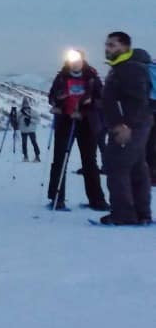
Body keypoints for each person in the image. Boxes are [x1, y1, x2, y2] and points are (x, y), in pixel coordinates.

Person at [99, 32, 152, 225]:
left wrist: (125, 125)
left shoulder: (129, 69)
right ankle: (141, 213)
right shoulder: (122, 68)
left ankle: (123, 215)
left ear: (125, 47)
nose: (107, 48)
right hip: (137, 125)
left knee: (117, 167)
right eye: (107, 44)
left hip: (128, 127)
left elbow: (138, 100)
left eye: (112, 45)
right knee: (137, 168)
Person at [47, 50, 108, 211]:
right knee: (60, 159)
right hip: (65, 121)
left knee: (89, 161)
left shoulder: (92, 76)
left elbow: (102, 98)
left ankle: (97, 200)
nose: (75, 63)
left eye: (78, 60)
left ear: (82, 60)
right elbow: (51, 96)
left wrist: (90, 102)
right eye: (72, 60)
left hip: (86, 122)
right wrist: (57, 99)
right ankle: (56, 198)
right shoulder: (61, 76)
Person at [19, 97, 41, 162]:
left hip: (31, 130)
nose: (25, 105)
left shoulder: (33, 112)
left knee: (33, 143)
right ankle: (26, 156)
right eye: (24, 104)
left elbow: (38, 121)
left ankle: (37, 157)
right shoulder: (19, 112)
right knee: (25, 144)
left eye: (26, 104)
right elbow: (17, 121)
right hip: (24, 130)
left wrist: (30, 120)